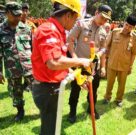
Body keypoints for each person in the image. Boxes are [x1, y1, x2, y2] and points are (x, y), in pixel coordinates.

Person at [31, 0, 91, 134]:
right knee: (50, 129)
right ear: (68, 15)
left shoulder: (58, 31)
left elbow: (61, 63)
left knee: (52, 126)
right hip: (47, 90)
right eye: (75, 19)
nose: (75, 22)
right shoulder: (49, 30)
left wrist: (77, 77)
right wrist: (80, 61)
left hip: (52, 88)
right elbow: (53, 62)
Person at [67, 4, 112, 123]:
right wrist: (75, 58)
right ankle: (72, 112)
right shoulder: (82, 24)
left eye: (107, 19)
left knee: (93, 90)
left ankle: (91, 108)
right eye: (102, 17)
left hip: (93, 68)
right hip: (80, 66)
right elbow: (70, 41)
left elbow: (104, 48)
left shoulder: (104, 30)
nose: (104, 21)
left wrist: (100, 61)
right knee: (75, 91)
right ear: (96, 12)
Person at [0, 1, 32, 121]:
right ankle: (20, 111)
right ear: (7, 13)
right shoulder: (0, 30)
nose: (19, 17)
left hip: (28, 66)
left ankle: (43, 110)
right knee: (16, 91)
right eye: (15, 14)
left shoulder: (26, 28)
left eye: (20, 14)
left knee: (37, 88)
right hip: (11, 68)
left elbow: (33, 48)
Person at [103, 15, 136, 107]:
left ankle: (119, 99)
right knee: (110, 82)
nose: (127, 28)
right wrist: (106, 58)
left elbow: (134, 53)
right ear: (124, 23)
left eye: (130, 27)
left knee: (122, 84)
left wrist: (130, 66)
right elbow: (107, 45)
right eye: (126, 25)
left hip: (124, 65)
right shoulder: (115, 32)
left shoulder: (134, 37)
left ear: (133, 27)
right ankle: (107, 97)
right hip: (112, 63)